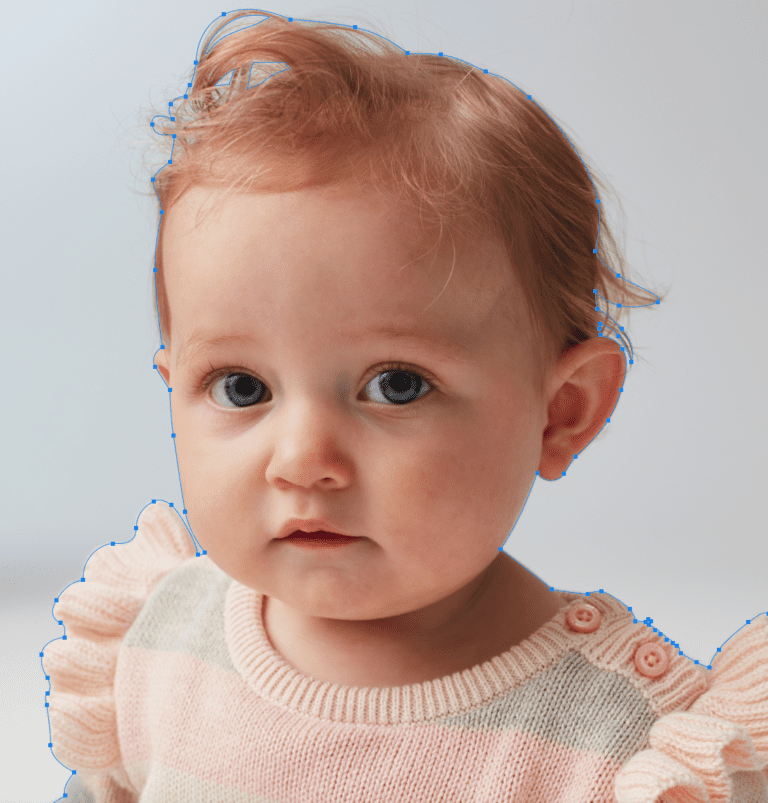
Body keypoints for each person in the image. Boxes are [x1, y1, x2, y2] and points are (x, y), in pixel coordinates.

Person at [43, 8, 767, 802]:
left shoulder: (617, 751)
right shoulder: (156, 647)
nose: (303, 460)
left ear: (562, 412)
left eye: (396, 384)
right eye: (242, 387)